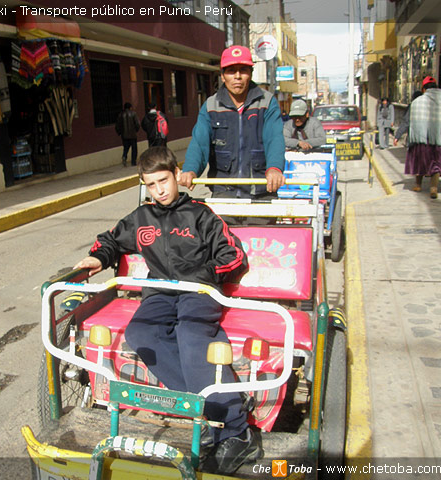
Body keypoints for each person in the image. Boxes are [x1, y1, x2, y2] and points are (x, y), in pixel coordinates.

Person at [74, 147, 261, 475]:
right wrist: (98, 258)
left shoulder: (201, 214)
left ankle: (237, 431)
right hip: (161, 292)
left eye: (163, 180)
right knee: (141, 334)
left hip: (198, 290)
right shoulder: (141, 218)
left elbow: (233, 255)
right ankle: (208, 407)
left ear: (176, 175)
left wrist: (202, 276)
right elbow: (111, 240)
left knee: (191, 335)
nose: (159, 189)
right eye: (151, 184)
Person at [179, 45, 285, 199]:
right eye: (231, 71)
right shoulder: (210, 106)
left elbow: (274, 139)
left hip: (261, 192)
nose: (237, 76)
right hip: (223, 192)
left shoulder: (267, 102)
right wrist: (190, 169)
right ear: (222, 76)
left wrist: (274, 168)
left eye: (243, 70)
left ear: (250, 74)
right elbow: (199, 143)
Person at [405, 76, 441, 198]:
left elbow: (413, 121)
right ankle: (433, 188)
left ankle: (418, 184)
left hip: (422, 139)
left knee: (420, 161)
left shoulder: (417, 102)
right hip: (439, 139)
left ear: (424, 89)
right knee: (436, 164)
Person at [115, 102, 140, 166]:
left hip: (124, 135)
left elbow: (118, 125)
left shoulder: (121, 114)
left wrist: (119, 132)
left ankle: (124, 156)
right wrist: (136, 130)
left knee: (126, 147)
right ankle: (133, 162)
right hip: (133, 135)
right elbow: (137, 124)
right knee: (134, 149)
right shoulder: (133, 114)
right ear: (130, 107)